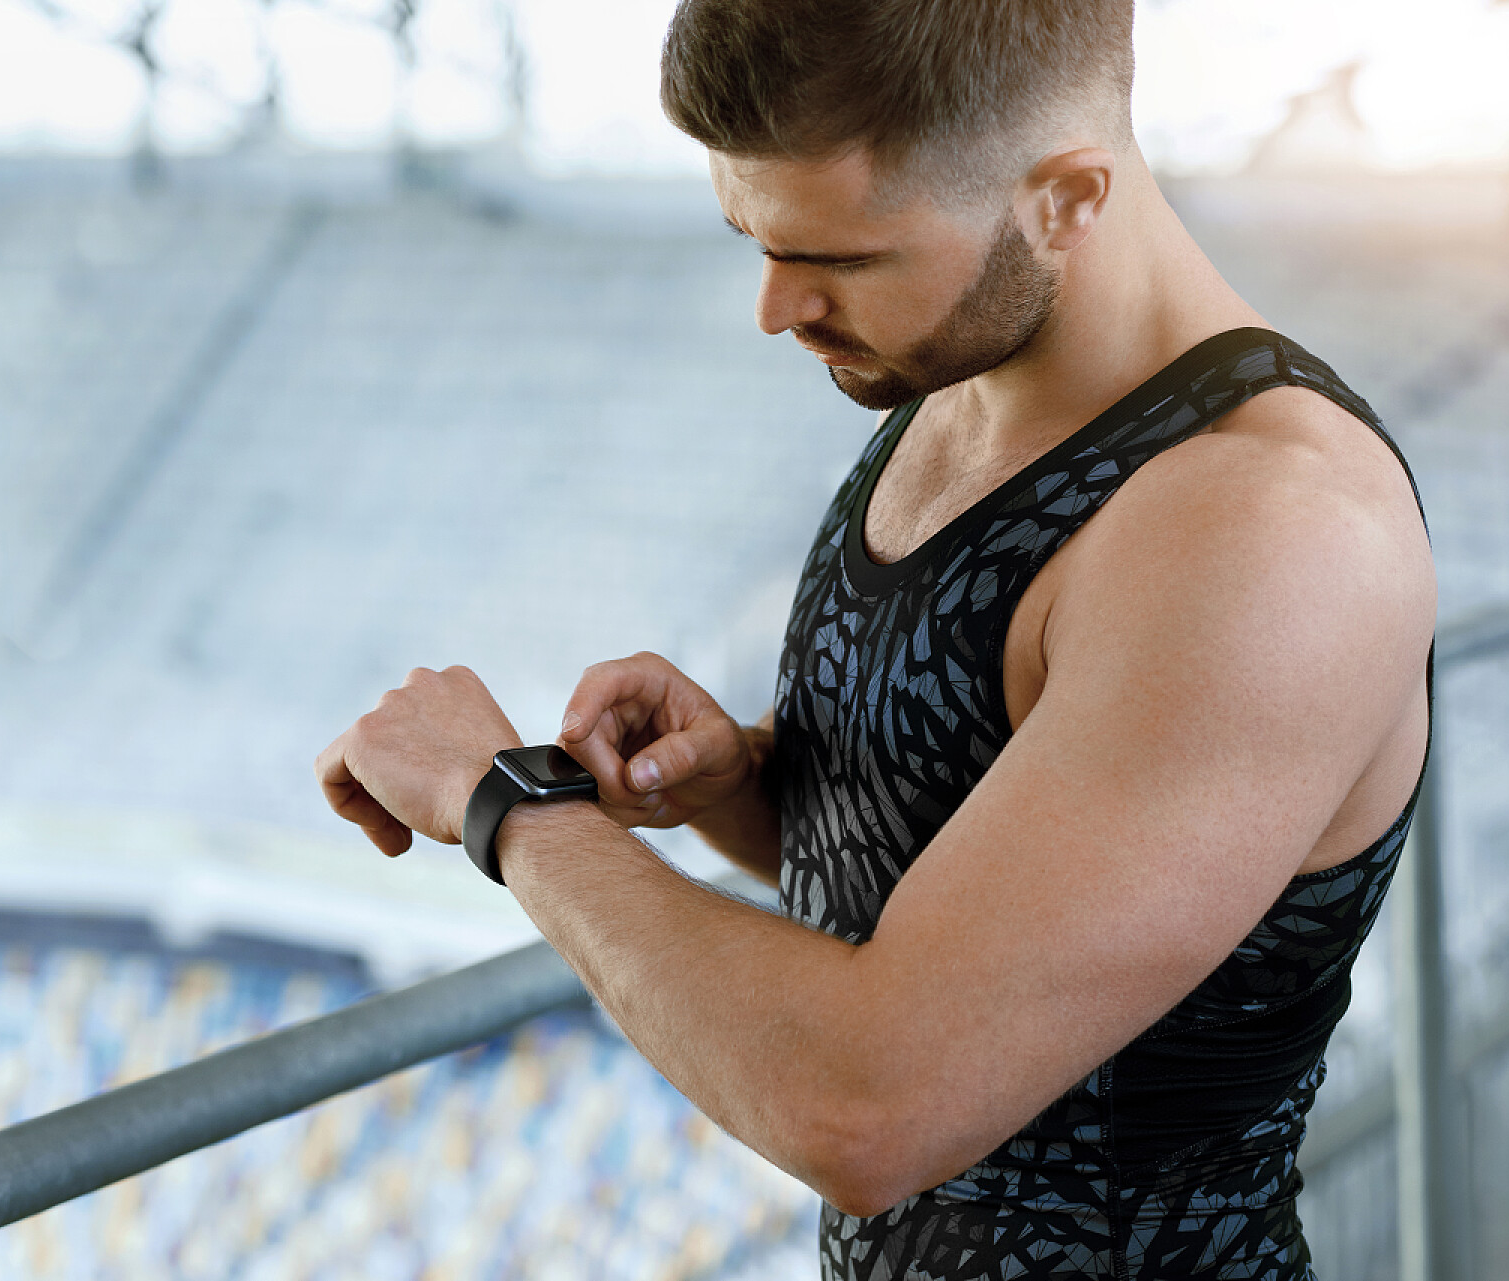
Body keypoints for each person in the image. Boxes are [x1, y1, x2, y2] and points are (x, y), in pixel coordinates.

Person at [315, 0, 1436, 1275]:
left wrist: (506, 804)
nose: (774, 307)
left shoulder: (1269, 531)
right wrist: (750, 787)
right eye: (755, 241)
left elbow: (869, 1105)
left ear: (1066, 198)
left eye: (837, 259)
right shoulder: (961, 379)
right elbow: (992, 875)